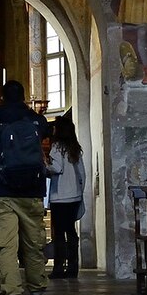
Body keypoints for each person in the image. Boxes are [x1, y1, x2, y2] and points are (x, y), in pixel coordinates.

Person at [0, 79, 50, 295]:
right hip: (33, 190)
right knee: (34, 246)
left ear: (2, 97)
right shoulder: (36, 120)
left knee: (6, 247)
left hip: (2, 190)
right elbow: (45, 141)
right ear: (23, 96)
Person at [46, 114, 87, 278]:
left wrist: (45, 165)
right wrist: (79, 190)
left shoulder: (57, 146)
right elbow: (82, 173)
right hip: (74, 195)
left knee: (59, 234)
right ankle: (72, 267)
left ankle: (58, 268)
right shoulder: (74, 147)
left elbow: (57, 168)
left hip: (60, 196)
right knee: (71, 232)